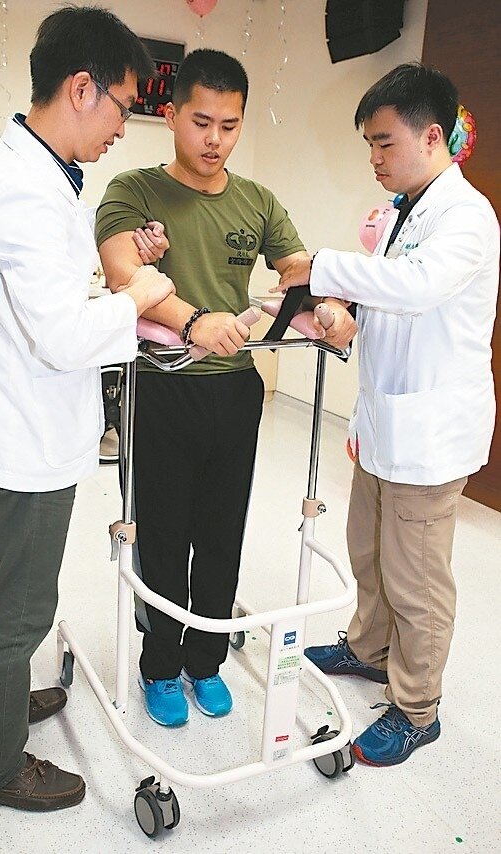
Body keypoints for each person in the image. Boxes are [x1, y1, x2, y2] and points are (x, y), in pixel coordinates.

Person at [0, 6, 174, 812]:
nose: (123, 126)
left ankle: (1, 705)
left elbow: (45, 288)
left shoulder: (32, 169)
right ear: (82, 88)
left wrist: (123, 265)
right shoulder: (23, 187)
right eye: (123, 106)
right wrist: (136, 295)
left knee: (3, 592)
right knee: (16, 610)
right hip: (26, 437)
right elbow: (60, 336)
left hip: (18, 423)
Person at [96, 48, 357, 728]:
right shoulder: (133, 191)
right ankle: (160, 665)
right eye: (201, 122)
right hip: (162, 387)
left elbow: (297, 271)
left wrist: (325, 306)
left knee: (220, 531)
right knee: (163, 533)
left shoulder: (256, 201)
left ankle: (206, 660)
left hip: (236, 390)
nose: (215, 139)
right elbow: (122, 273)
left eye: (230, 125)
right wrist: (193, 320)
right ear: (171, 115)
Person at [270, 63, 500, 766]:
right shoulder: (407, 211)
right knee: (369, 550)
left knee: (416, 579)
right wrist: (345, 316)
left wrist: (320, 266)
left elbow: (418, 287)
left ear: (431, 137)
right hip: (386, 424)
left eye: (384, 142)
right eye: (369, 144)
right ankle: (370, 649)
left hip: (430, 435)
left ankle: (417, 708)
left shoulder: (466, 217)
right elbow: (390, 301)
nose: (373, 157)